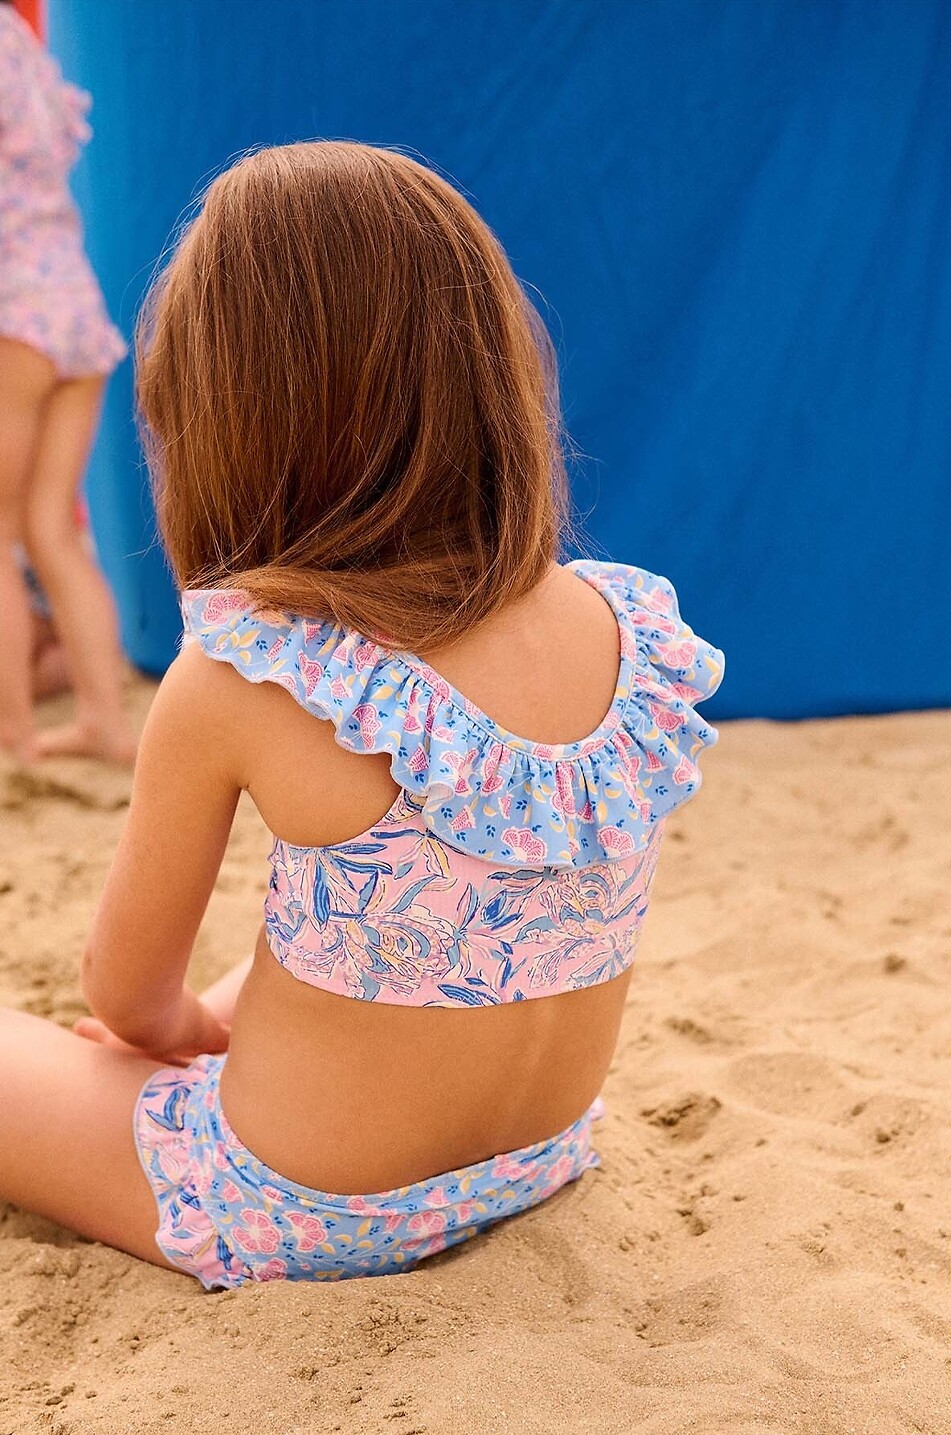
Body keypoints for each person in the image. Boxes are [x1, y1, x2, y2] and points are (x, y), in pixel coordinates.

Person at [0, 142, 724, 1286]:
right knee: (365, 925)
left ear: (227, 418)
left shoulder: (247, 672)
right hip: (534, 1158)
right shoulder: (626, 629)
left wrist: (183, 1033)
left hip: (302, 1204)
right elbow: (456, 918)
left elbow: (125, 995)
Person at [0, 0, 135, 764]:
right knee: (53, 528)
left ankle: (14, 734)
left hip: (13, 306)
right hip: (72, 300)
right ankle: (105, 724)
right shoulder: (24, 41)